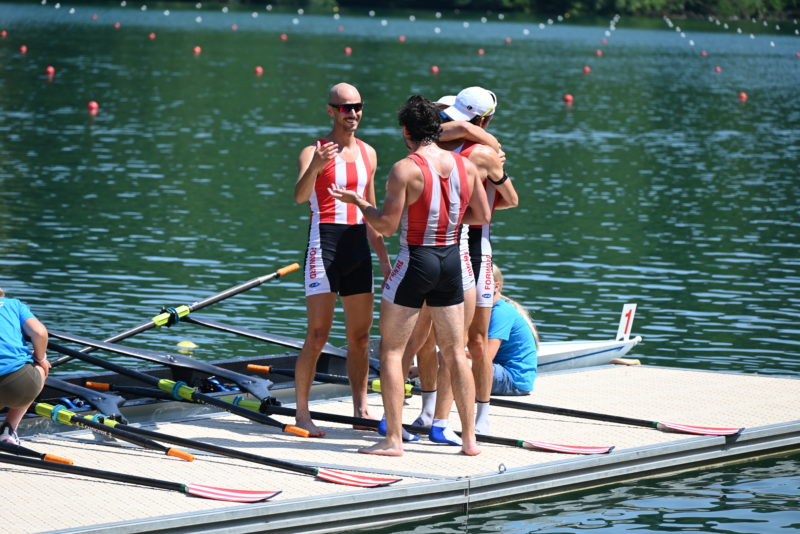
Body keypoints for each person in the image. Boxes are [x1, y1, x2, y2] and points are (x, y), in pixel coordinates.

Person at [329, 95, 490, 456]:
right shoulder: (465, 166)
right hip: (451, 261)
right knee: (456, 352)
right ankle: (469, 440)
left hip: (416, 260)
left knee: (392, 351)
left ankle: (393, 440)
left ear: (406, 131)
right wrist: (448, 223)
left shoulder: (404, 169)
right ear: (437, 129)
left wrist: (360, 203)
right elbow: (482, 215)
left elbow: (386, 226)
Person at [412, 87, 519, 442]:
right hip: (444, 246)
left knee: (475, 340)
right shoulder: (442, 143)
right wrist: (486, 137)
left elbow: (512, 200)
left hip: (474, 248)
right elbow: (453, 129)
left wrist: (478, 209)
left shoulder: (481, 154)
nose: (446, 120)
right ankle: (430, 412)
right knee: (431, 336)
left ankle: (482, 415)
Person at [293, 82, 392, 437]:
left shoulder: (369, 153)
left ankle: (360, 407)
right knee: (318, 334)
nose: (353, 113)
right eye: (345, 107)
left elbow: (371, 211)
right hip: (325, 243)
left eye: (357, 107)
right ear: (331, 111)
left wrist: (384, 260)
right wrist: (316, 167)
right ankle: (302, 413)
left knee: (361, 337)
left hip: (357, 246)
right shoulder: (313, 151)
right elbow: (299, 196)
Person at [0, 288, 50, 445]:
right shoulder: (13, 304)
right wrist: (41, 358)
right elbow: (40, 333)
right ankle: (8, 430)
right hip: (20, 386)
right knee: (40, 368)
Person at [487, 264, 539, 396]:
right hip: (501, 371)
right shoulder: (487, 310)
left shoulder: (501, 312)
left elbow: (486, 356)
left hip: (514, 380)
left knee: (459, 362)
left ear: (496, 286)